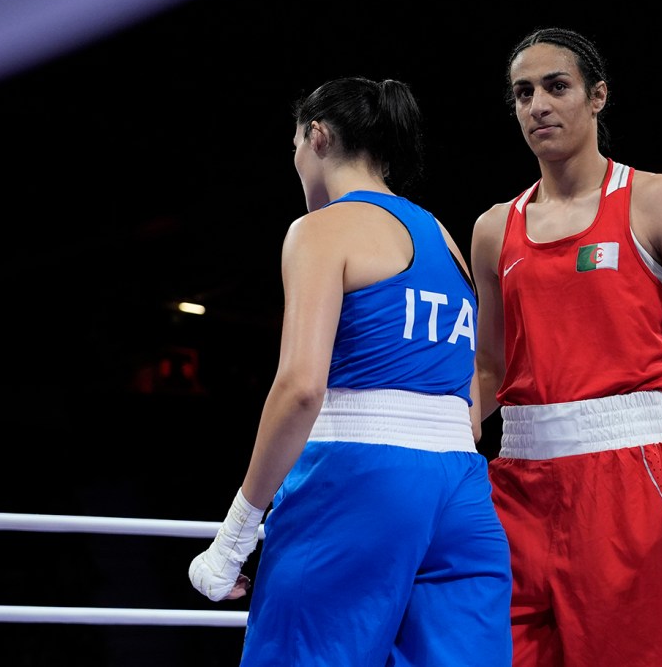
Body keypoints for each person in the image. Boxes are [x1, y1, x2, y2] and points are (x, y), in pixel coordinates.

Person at [189, 76, 513, 666]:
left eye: (294, 144)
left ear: (316, 136)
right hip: (462, 492)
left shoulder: (321, 229)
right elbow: (469, 415)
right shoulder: (444, 239)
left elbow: (300, 387)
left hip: (359, 480)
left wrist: (235, 536)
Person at [470, 28, 662, 667]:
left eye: (556, 86)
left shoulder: (657, 202)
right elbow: (490, 367)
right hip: (514, 487)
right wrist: (431, 441)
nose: (537, 105)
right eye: (523, 93)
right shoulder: (495, 229)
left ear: (598, 96)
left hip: (628, 481)